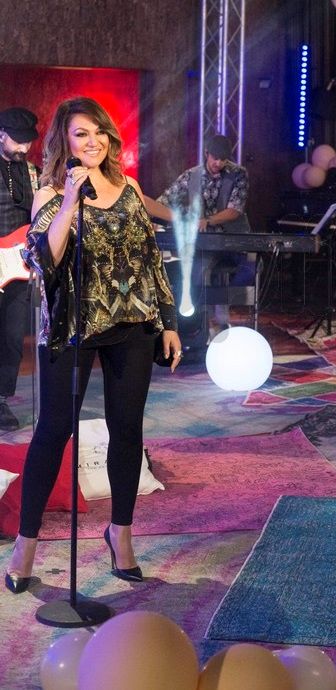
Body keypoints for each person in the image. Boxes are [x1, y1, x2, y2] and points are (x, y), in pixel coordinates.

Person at [4, 97, 182, 594]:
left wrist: (167, 322)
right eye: (82, 133)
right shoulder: (49, 194)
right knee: (52, 431)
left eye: (100, 131)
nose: (94, 141)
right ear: (64, 141)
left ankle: (120, 535)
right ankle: (25, 546)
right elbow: (46, 259)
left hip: (133, 324)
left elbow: (151, 259)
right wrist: (68, 201)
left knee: (127, 430)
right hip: (71, 327)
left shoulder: (130, 188)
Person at [151, 134, 254, 337]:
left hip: (233, 239)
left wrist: (208, 220)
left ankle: (221, 314)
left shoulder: (238, 174)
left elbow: (235, 210)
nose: (219, 163)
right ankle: (201, 326)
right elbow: (165, 199)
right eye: (215, 158)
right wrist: (154, 218)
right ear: (207, 153)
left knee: (248, 271)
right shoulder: (192, 175)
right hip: (205, 243)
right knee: (195, 274)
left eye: (223, 159)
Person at [0, 107, 39, 431]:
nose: (24, 148)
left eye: (28, 141)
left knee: (13, 337)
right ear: (1, 135)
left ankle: (1, 400)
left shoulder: (33, 172)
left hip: (17, 265)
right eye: (18, 141)